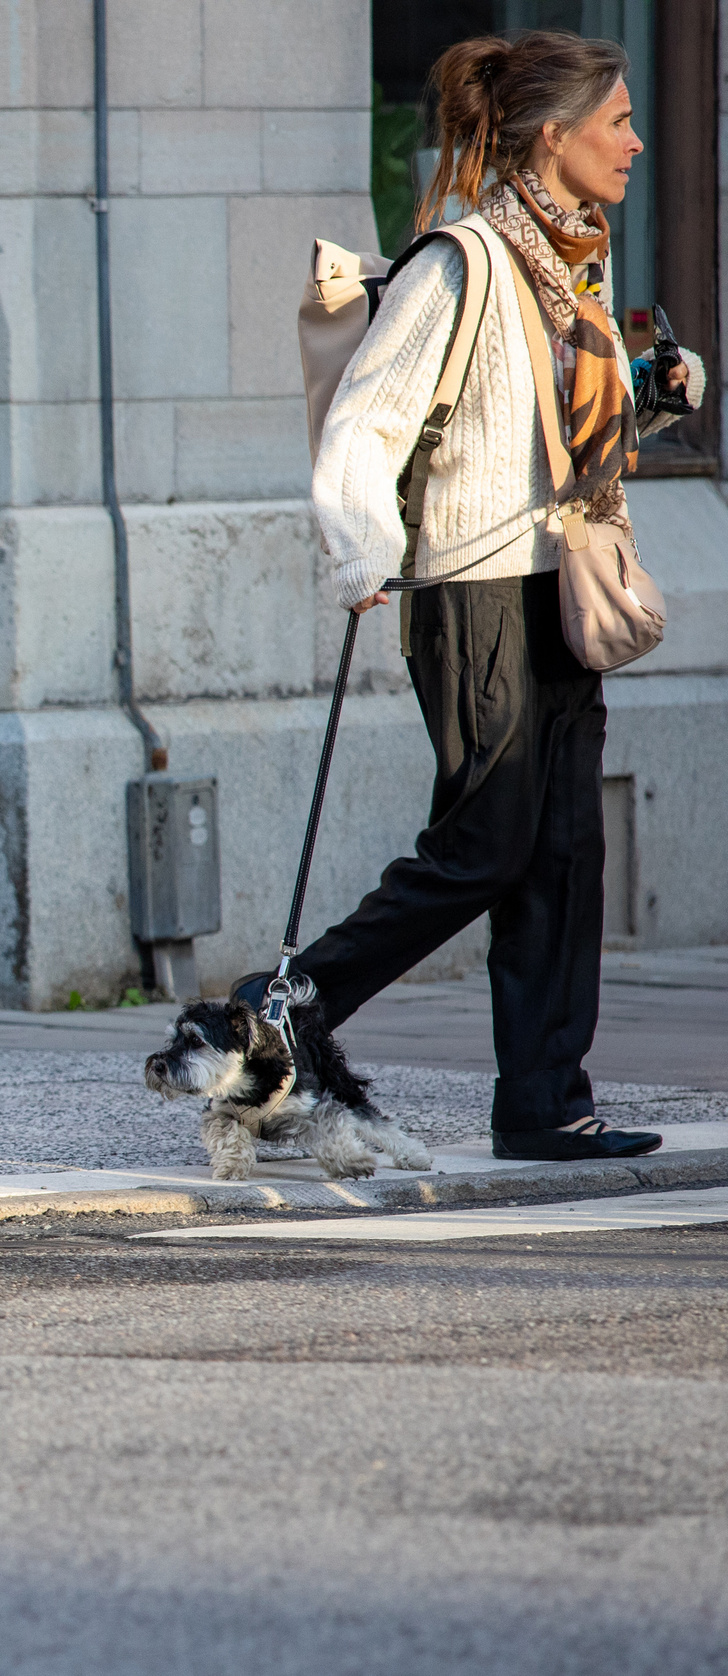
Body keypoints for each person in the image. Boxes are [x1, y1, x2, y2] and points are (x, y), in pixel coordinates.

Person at [291, 29, 702, 1162]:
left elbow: (552, 440)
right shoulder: (459, 263)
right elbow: (365, 421)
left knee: (563, 852)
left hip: (562, 580)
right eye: (615, 122)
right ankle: (277, 1012)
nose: (630, 141)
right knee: (482, 843)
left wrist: (652, 397)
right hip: (473, 593)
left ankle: (543, 1100)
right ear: (552, 134)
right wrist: (359, 551)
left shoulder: (567, 264)